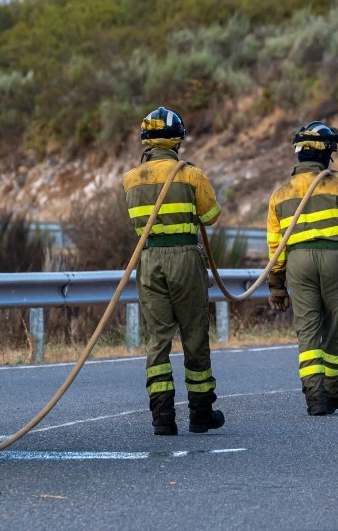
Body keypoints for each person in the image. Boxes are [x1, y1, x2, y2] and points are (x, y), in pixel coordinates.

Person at [123, 107, 224, 436]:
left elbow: (137, 223)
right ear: (177, 139)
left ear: (146, 140)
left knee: (157, 339)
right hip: (184, 258)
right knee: (194, 335)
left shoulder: (130, 179)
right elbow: (210, 217)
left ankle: (162, 417)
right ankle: (201, 413)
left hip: (149, 259)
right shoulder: (191, 175)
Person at [266, 121, 338, 416]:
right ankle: (333, 390)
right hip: (334, 258)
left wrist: (276, 285)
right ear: (326, 154)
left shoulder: (280, 193)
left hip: (298, 264)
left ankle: (315, 397)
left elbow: (275, 247)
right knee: (336, 326)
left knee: (307, 329)